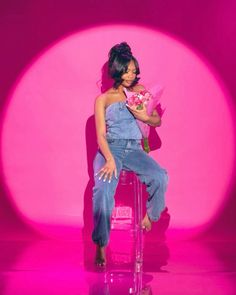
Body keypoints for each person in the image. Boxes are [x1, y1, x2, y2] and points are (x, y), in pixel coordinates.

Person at [92, 42, 168, 266]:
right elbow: (100, 135)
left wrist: (146, 118)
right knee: (102, 191)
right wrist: (108, 159)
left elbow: (157, 120)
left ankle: (149, 217)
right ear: (117, 70)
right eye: (127, 70)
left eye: (134, 70)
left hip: (134, 149)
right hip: (111, 149)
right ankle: (101, 245)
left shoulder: (140, 91)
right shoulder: (103, 99)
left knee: (160, 176)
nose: (132, 74)